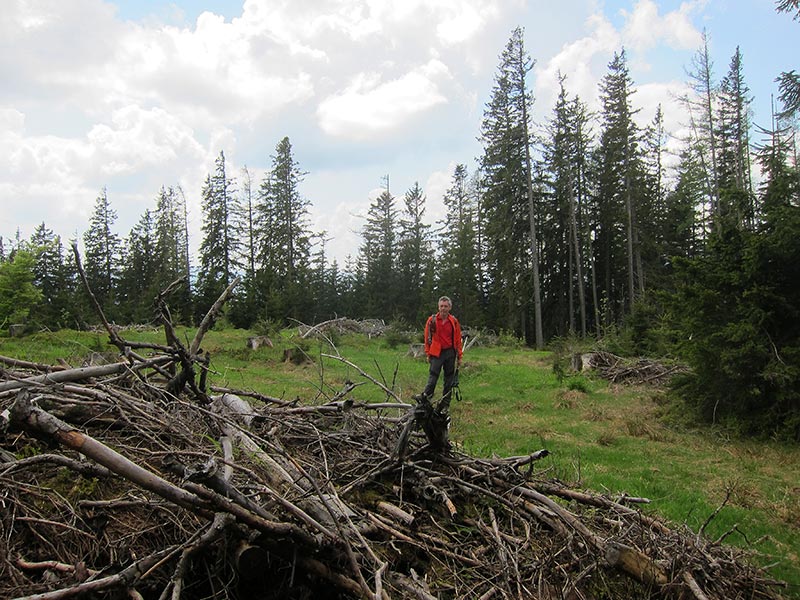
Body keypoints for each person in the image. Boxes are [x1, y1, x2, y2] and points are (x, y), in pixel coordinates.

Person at [413, 296, 463, 417]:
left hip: (450, 353)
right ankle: (426, 400)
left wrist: (459, 356)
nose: (443, 308)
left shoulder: (454, 321)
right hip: (436, 353)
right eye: (441, 306)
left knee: (449, 380)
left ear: (450, 307)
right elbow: (427, 338)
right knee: (433, 377)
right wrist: (428, 353)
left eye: (446, 306)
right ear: (438, 307)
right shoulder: (432, 320)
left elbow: (457, 340)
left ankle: (445, 404)